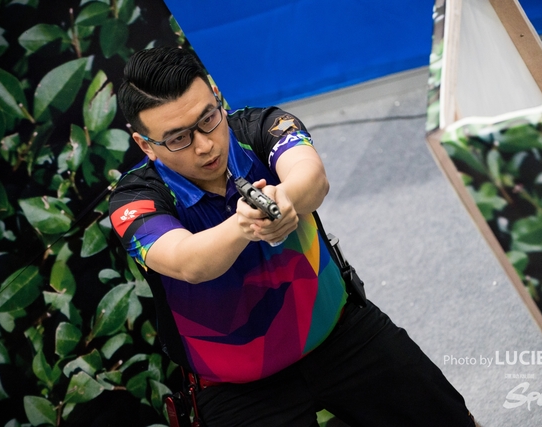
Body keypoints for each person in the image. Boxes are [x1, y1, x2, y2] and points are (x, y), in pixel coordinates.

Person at [109, 46, 475, 427]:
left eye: (208, 119)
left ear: (217, 96)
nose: (204, 145)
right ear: (145, 145)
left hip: (340, 333)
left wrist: (285, 198)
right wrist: (243, 226)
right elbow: (188, 262)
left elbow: (312, 178)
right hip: (235, 388)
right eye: (178, 139)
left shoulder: (265, 126)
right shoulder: (134, 200)